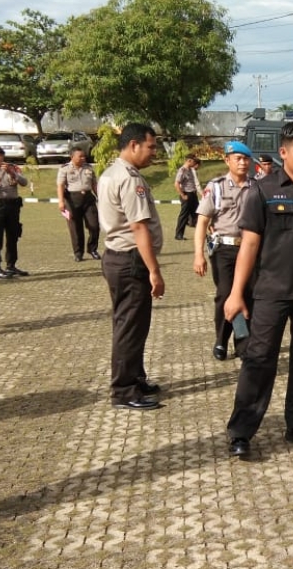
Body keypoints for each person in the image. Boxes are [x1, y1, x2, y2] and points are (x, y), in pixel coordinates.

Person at [224, 122, 293, 457]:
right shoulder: (263, 191)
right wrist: (236, 293)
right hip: (271, 292)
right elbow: (249, 245)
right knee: (259, 360)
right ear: (284, 152)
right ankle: (241, 432)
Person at [97, 123, 164, 410]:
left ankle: (135, 378)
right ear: (134, 144)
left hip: (118, 257)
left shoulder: (113, 172)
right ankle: (124, 391)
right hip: (130, 260)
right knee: (130, 328)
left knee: (131, 325)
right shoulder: (128, 178)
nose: (154, 152)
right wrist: (154, 271)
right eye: (151, 146)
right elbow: (138, 228)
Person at [193, 141, 255, 361]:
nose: (242, 163)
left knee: (247, 294)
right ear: (227, 161)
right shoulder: (216, 187)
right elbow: (202, 222)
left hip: (249, 249)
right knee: (226, 294)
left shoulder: (256, 187)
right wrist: (198, 255)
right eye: (238, 158)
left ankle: (243, 342)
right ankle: (221, 339)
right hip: (224, 249)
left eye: (246, 159)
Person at [57, 147, 100, 262]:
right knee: (75, 228)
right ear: (72, 157)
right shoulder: (64, 169)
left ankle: (92, 249)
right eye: (80, 156)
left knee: (94, 225)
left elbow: (94, 184)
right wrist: (61, 202)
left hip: (88, 199)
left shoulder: (88, 167)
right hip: (71, 200)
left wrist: (100, 196)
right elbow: (60, 185)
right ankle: (78, 252)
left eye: (84, 156)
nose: (83, 158)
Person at [0, 146, 29, 279]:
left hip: (13, 205)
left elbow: (24, 182)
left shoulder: (12, 167)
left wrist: (12, 173)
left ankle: (11, 265)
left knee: (13, 236)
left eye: (0, 155)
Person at [173, 154, 201, 240]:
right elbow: (176, 184)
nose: (195, 163)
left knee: (197, 214)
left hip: (193, 194)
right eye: (193, 161)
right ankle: (178, 235)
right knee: (184, 215)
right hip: (186, 194)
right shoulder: (182, 170)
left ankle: (200, 234)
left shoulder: (191, 170)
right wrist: (183, 195)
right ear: (189, 161)